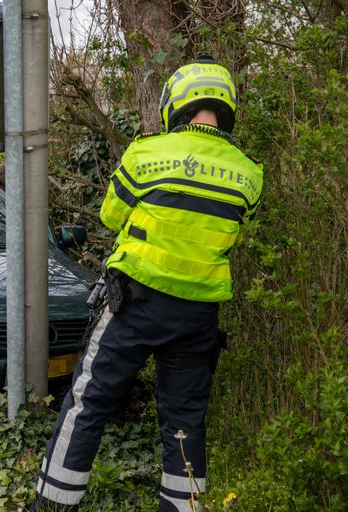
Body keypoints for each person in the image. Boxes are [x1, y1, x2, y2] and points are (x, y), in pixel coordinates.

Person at [32, 56, 263, 511]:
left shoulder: (146, 153)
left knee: (89, 403)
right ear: (227, 105)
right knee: (185, 421)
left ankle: (53, 505)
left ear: (174, 104)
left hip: (134, 305)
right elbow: (238, 227)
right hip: (197, 316)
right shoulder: (249, 174)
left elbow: (110, 215)